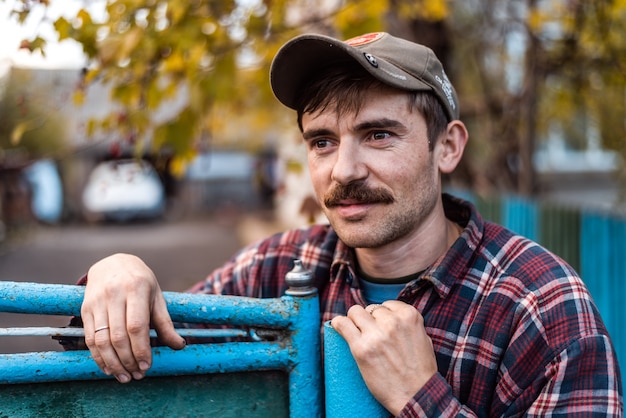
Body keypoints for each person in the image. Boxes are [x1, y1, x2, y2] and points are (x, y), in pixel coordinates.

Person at [77, 32, 623, 416]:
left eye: (379, 134)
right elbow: (124, 351)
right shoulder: (282, 266)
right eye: (322, 141)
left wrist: (421, 399)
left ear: (448, 147)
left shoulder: (539, 304)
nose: (344, 170)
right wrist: (118, 277)